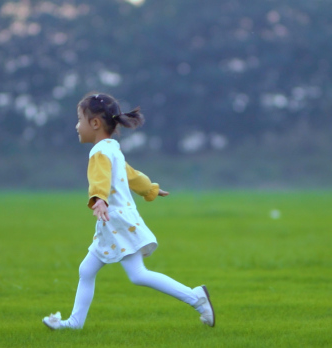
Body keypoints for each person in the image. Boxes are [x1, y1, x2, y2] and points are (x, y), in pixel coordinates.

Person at [43, 92, 215, 330]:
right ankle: (74, 323)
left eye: (79, 120)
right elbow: (130, 174)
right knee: (87, 269)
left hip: (116, 220)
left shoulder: (100, 152)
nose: (76, 126)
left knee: (137, 275)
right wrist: (150, 189)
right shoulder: (112, 148)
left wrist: (99, 199)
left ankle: (196, 298)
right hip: (113, 220)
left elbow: (100, 179)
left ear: (95, 123)